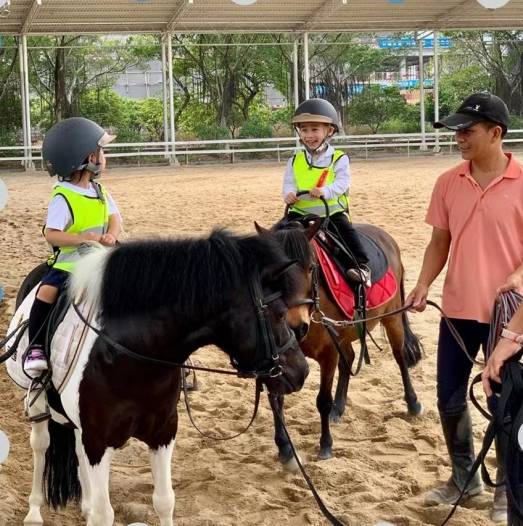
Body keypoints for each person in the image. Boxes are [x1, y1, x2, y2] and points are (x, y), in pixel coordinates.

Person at [406, 92, 523, 522]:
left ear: (496, 133)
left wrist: (520, 275)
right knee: (449, 399)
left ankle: (506, 489)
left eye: (467, 130)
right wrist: (422, 284)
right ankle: (463, 478)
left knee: (505, 408)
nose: (459, 138)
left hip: (509, 320)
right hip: (456, 310)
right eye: (456, 131)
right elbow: (441, 241)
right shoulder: (447, 182)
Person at [24, 117, 122, 377]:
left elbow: (115, 219)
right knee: (46, 291)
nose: (105, 156)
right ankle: (35, 348)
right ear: (89, 156)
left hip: (102, 258)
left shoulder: (100, 191)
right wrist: (81, 238)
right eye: (102, 151)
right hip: (70, 263)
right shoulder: (62, 196)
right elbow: (52, 235)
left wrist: (111, 235)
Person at [282, 98, 371, 286]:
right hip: (299, 214)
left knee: (347, 233)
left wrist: (325, 191)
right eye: (304, 130)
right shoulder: (295, 160)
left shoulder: (339, 158)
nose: (309, 135)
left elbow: (342, 184)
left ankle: (362, 266)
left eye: (314, 129)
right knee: (277, 235)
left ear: (329, 131)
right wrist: (289, 194)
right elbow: (289, 183)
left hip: (331, 214)